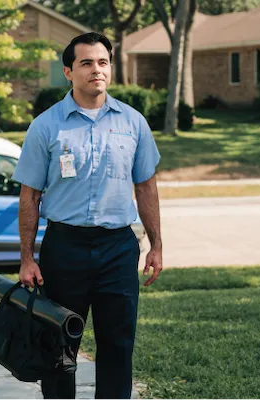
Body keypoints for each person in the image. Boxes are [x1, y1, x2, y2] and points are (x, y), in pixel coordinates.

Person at [11, 32, 163, 400]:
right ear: (68, 71)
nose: (97, 70)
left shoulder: (133, 123)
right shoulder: (46, 126)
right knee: (59, 347)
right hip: (65, 248)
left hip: (118, 248)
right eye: (87, 63)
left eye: (103, 62)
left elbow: (146, 188)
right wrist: (27, 258)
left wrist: (157, 246)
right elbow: (30, 196)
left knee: (118, 345)